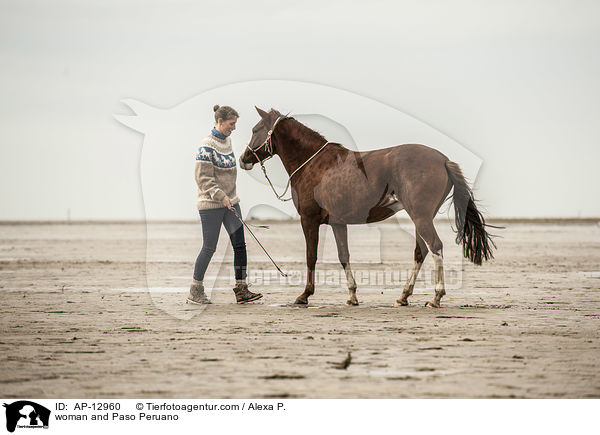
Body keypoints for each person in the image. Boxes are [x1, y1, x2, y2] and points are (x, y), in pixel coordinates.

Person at [187, 105, 263, 305]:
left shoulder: (228, 141)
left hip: (231, 203)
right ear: (220, 121)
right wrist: (220, 196)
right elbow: (202, 178)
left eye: (235, 124)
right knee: (209, 247)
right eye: (231, 124)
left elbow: (228, 172)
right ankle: (195, 290)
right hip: (210, 205)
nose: (234, 128)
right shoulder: (206, 145)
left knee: (240, 245)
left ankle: (241, 289)